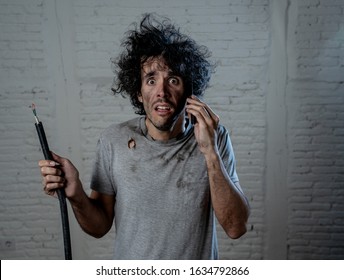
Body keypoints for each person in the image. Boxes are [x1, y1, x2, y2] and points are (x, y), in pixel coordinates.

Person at [39, 13, 249, 260]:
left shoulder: (214, 136)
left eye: (173, 79)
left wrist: (210, 152)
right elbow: (99, 226)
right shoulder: (114, 140)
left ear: (189, 91)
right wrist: (75, 195)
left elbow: (235, 227)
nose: (162, 92)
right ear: (138, 92)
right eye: (151, 80)